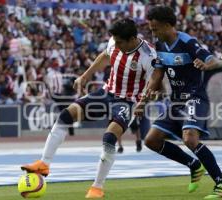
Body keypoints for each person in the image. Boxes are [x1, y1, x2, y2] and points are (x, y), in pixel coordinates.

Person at [21, 18, 157, 198]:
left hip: (128, 102)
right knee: (66, 115)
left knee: (109, 138)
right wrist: (85, 76)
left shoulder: (148, 56)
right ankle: (44, 163)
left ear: (132, 39)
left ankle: (97, 187)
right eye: (114, 40)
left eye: (120, 42)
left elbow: (154, 84)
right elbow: (105, 56)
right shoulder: (115, 42)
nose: (115, 44)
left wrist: (144, 102)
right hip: (107, 92)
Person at [134, 6, 222, 199]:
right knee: (151, 140)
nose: (153, 33)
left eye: (155, 29)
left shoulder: (187, 42)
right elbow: (157, 76)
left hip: (195, 97)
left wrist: (206, 65)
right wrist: (143, 101)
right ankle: (194, 165)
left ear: (168, 25)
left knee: (189, 138)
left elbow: (213, 60)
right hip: (176, 102)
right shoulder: (160, 45)